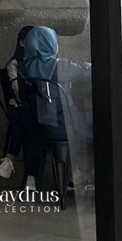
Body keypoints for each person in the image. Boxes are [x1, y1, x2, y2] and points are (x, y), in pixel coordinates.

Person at [17, 25, 93, 188]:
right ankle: (78, 174)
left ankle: (66, 174)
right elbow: (88, 76)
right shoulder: (61, 65)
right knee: (93, 130)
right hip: (60, 127)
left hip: (34, 127)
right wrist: (89, 66)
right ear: (50, 44)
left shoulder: (22, 67)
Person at [0, 25, 34, 187]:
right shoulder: (15, 64)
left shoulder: (39, 62)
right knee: (24, 119)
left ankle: (11, 158)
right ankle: (30, 174)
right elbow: (17, 91)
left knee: (27, 120)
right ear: (22, 43)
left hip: (32, 108)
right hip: (18, 105)